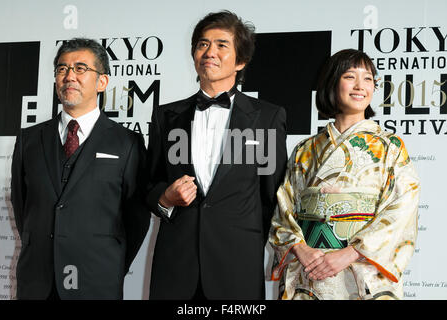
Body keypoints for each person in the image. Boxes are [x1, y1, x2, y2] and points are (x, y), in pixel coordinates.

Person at [146, 10, 287, 299]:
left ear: (241, 61)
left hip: (237, 267)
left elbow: (272, 196)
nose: (209, 51)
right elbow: (148, 185)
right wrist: (165, 198)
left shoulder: (267, 117)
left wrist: (245, 242)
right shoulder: (166, 116)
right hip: (176, 266)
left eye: (222, 45)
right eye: (202, 44)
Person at [269, 49, 420, 300]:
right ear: (332, 82)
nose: (361, 86)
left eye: (369, 79)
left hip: (361, 271)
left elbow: (402, 209)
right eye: (350, 76)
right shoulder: (305, 150)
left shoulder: (389, 146)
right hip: (311, 270)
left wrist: (350, 253)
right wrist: (300, 249)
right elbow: (283, 209)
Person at [11, 38, 150, 300]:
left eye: (81, 68)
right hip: (37, 283)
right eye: (62, 69)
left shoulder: (127, 143)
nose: (69, 76)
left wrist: (110, 264)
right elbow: (23, 209)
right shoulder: (29, 139)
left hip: (97, 281)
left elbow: (136, 219)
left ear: (102, 82)